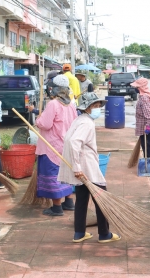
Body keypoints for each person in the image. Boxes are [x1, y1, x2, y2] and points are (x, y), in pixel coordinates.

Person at [58, 93, 121, 243]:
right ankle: (104, 234)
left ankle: (79, 233)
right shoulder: (87, 123)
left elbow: (71, 141)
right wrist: (77, 167)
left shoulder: (80, 120)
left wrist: (76, 166)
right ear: (87, 107)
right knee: (101, 198)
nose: (98, 108)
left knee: (81, 198)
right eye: (95, 106)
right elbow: (74, 142)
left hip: (82, 164)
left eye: (99, 106)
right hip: (86, 166)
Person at [28, 74, 77, 216]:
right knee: (66, 173)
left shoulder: (53, 104)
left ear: (55, 89)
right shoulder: (71, 104)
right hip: (66, 144)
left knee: (53, 175)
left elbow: (45, 124)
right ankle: (69, 202)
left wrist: (38, 120)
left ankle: (57, 207)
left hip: (52, 146)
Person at [131, 78, 150, 158]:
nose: (135, 88)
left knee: (148, 148)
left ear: (140, 88)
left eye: (136, 87)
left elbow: (149, 115)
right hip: (143, 126)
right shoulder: (143, 96)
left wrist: (147, 128)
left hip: (147, 127)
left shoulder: (144, 98)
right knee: (146, 147)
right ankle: (149, 162)